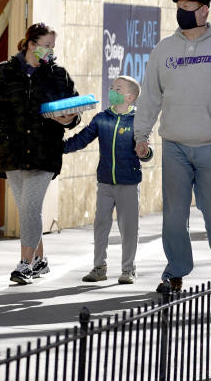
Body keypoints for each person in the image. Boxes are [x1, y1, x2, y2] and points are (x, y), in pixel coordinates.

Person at [133, 0, 211, 292]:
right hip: (174, 145)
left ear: (205, 10)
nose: (182, 11)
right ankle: (175, 271)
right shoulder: (164, 49)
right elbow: (150, 97)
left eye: (189, 7)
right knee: (173, 214)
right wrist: (140, 134)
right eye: (179, 6)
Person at [0, 22, 80, 285]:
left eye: (53, 47)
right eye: (46, 46)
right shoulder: (4, 72)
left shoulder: (58, 75)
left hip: (44, 151)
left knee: (30, 208)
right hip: (11, 151)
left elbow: (74, 109)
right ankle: (40, 261)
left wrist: (68, 120)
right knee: (27, 210)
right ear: (31, 44)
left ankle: (25, 265)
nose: (51, 51)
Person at [64, 76, 150, 284]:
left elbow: (145, 149)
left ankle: (128, 269)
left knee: (129, 227)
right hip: (104, 182)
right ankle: (99, 267)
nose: (112, 90)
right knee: (101, 224)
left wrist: (145, 152)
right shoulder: (102, 118)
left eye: (117, 89)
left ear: (129, 97)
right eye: (111, 87)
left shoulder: (139, 121)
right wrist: (59, 147)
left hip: (128, 183)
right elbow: (82, 139)